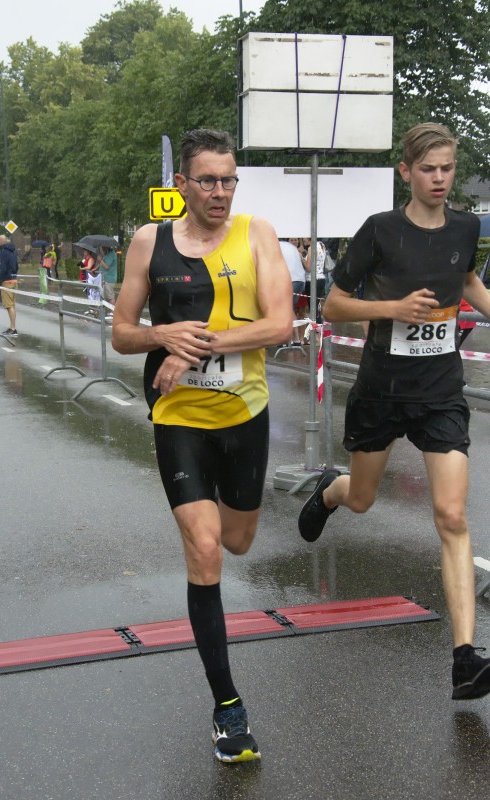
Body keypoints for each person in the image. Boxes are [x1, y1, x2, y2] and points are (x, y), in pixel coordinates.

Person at [112, 128, 293, 763]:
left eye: (229, 179)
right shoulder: (149, 241)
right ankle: (228, 707)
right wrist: (162, 335)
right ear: (182, 184)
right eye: (208, 180)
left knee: (238, 540)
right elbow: (122, 334)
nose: (220, 191)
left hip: (244, 413)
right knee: (207, 547)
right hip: (178, 416)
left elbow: (280, 323)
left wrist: (197, 345)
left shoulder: (257, 234)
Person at [298, 122, 490, 701]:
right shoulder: (379, 230)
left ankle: (465, 659)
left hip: (440, 390)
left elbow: (468, 282)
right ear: (406, 171)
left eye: (447, 168)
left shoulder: (466, 226)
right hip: (382, 389)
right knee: (363, 498)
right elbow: (333, 305)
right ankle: (331, 491)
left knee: (451, 515)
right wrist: (394, 308)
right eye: (428, 169)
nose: (439, 178)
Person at [279, 237, 306, 346]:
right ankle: (293, 339)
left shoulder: (275, 246)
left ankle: (291, 339)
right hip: (300, 280)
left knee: (287, 309)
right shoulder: (290, 248)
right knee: (290, 309)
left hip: (291, 279)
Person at [0, 234, 19, 336]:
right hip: (14, 279)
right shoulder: (13, 251)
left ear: (0, 242)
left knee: (9, 306)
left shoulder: (3, 252)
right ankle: (11, 327)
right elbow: (16, 266)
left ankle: (13, 329)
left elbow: (3, 268)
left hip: (7, 281)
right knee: (12, 305)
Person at [96, 246, 118, 314]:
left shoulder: (111, 254)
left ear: (106, 247)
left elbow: (106, 266)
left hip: (109, 279)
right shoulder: (106, 254)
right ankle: (102, 312)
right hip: (104, 278)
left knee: (110, 296)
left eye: (103, 247)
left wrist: (100, 260)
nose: (102, 249)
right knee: (104, 296)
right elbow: (102, 265)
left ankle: (113, 313)